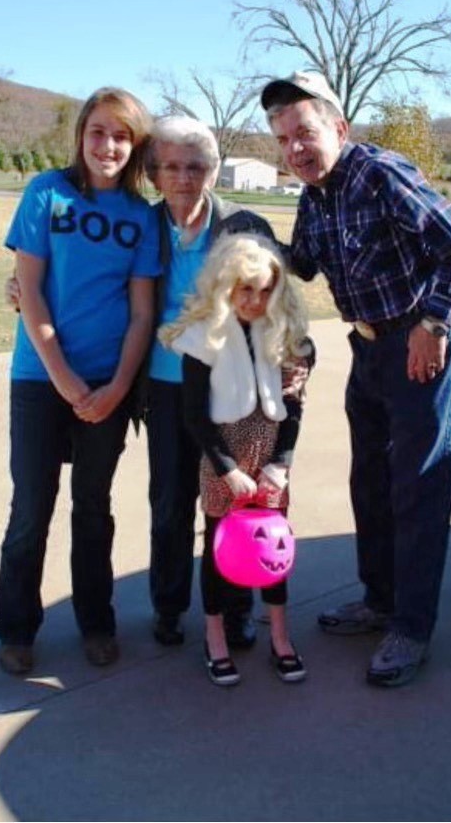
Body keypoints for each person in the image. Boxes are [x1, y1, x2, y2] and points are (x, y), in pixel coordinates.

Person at [260, 71, 451, 687]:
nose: (295, 149)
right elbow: (302, 264)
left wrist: (434, 322)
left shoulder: (380, 173)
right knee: (370, 482)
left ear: (338, 127)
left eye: (304, 132)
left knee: (417, 489)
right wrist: (247, 236)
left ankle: (411, 628)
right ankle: (380, 600)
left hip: (421, 342)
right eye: (283, 140)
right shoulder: (314, 198)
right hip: (366, 348)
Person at [0, 86, 161, 675]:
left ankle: (96, 623)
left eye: (121, 136)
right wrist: (63, 378)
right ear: (81, 135)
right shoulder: (47, 193)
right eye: (98, 132)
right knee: (30, 508)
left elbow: (142, 313)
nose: (108, 145)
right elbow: (29, 290)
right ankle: (16, 629)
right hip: (40, 379)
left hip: (108, 384)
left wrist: (116, 387)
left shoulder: (142, 218)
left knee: (93, 507)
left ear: (135, 146)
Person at [143, 116, 278, 649]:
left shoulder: (242, 225)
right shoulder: (143, 224)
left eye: (196, 166)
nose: (184, 177)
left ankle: (235, 608)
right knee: (170, 502)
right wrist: (19, 285)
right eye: (171, 166)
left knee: (230, 503)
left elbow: (277, 292)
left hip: (229, 388)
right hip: (164, 384)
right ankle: (169, 606)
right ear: (154, 173)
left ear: (214, 170)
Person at [160, 232, 315, 686]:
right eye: (246, 289)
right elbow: (193, 414)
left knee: (274, 546)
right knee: (218, 547)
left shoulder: (281, 334)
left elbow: (294, 406)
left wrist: (280, 463)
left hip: (270, 458)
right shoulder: (202, 337)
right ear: (226, 284)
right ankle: (215, 638)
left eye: (265, 291)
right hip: (222, 457)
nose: (255, 300)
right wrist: (226, 468)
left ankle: (280, 637)